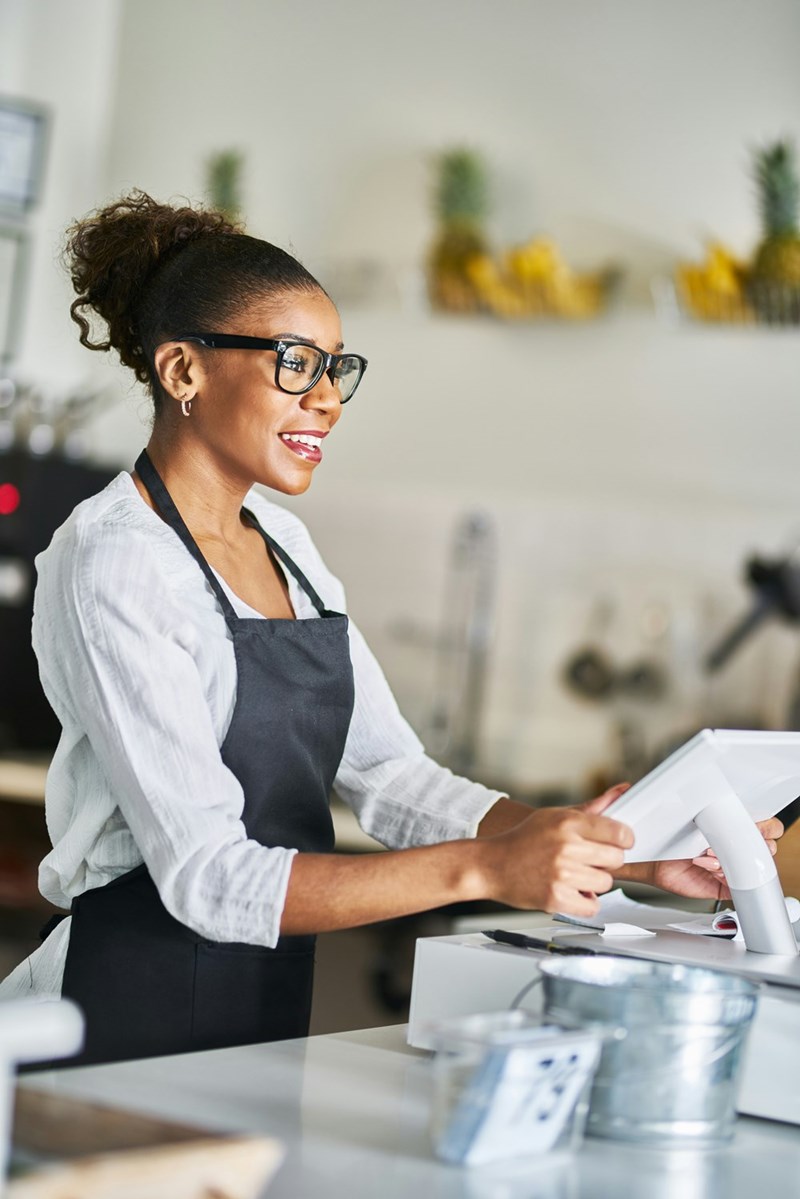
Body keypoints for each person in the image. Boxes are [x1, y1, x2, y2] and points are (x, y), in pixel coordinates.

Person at [0, 192, 782, 1066]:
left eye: (339, 368)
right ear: (183, 371)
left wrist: (618, 851)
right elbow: (210, 879)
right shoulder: (116, 559)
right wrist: (487, 870)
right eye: (296, 364)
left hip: (254, 1008)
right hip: (116, 1014)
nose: (329, 399)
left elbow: (392, 778)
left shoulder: (285, 545)